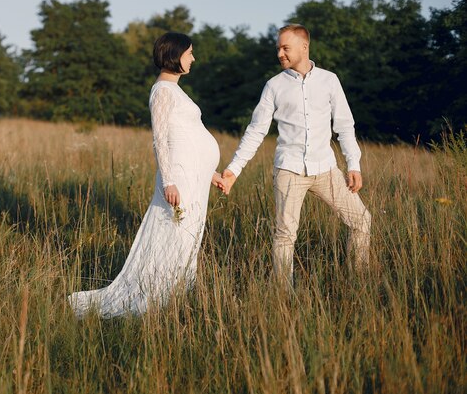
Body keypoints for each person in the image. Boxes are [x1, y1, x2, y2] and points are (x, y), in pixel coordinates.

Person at [69, 32, 223, 317]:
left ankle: (174, 292)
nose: (194, 58)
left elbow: (188, 136)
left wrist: (210, 172)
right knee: (174, 233)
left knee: (187, 236)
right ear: (175, 55)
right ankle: (155, 293)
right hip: (178, 177)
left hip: (193, 175)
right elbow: (160, 139)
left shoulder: (174, 90)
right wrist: (168, 181)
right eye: (189, 52)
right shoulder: (163, 91)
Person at [219, 24, 371, 284]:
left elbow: (345, 125)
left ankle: (358, 281)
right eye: (278, 48)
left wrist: (353, 164)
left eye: (285, 48)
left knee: (362, 220)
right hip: (289, 171)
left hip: (326, 170)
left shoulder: (329, 80)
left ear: (304, 46)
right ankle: (282, 295)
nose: (280, 53)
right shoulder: (274, 86)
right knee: (285, 235)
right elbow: (256, 131)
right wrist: (234, 169)